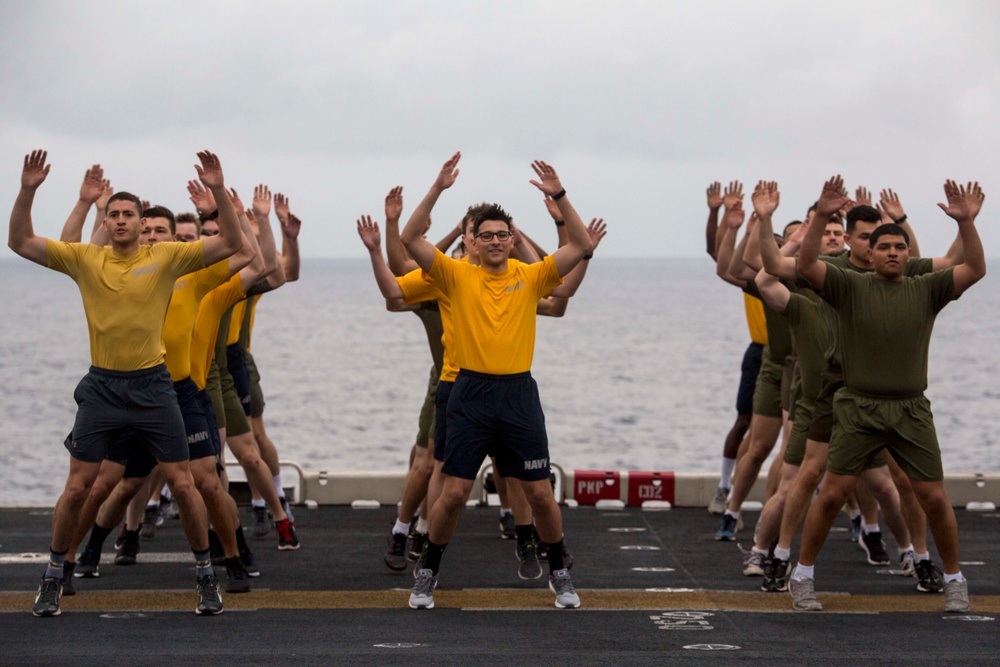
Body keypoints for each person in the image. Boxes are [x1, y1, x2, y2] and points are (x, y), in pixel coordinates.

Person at [9, 149, 243, 617]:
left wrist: (217, 193)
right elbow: (19, 242)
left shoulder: (166, 259)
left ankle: (205, 576)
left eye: (128, 214)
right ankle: (54, 575)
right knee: (78, 487)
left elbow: (234, 244)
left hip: (154, 387)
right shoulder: (85, 260)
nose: (120, 221)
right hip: (102, 388)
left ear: (141, 222)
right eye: (113, 214)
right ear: (108, 221)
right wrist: (28, 189)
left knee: (182, 483)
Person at [787, 176, 985, 613]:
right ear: (869, 254)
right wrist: (821, 216)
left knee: (932, 496)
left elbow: (974, 269)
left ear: (908, 254)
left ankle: (954, 578)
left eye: (899, 247)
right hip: (858, 408)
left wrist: (966, 223)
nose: (893, 253)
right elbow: (805, 266)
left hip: (911, 409)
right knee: (834, 492)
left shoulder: (926, 288)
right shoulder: (848, 284)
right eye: (884, 247)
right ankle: (801, 575)